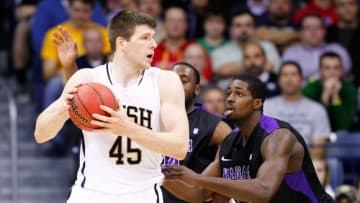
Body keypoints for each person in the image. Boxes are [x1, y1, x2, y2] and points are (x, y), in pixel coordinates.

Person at [34, 10, 189, 203]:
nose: (154, 44)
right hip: (90, 194)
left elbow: (180, 147)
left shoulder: (165, 81)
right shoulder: (88, 79)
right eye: (145, 38)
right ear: (122, 43)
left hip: (142, 194)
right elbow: (41, 134)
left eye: (153, 37)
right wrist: (64, 107)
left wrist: (128, 129)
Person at [162, 74, 335, 203]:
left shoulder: (278, 137)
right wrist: (158, 176)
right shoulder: (229, 143)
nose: (229, 99)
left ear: (257, 103)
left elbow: (264, 190)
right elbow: (199, 193)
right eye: (228, 93)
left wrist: (197, 178)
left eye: (239, 94)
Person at [162, 62, 232, 203]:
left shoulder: (213, 125)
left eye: (184, 81)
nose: (176, 85)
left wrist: (226, 187)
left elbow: (239, 151)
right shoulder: (151, 117)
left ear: (197, 89)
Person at [264, 61, 331, 157]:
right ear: (278, 80)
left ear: (301, 80)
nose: (289, 79)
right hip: (273, 163)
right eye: (284, 75)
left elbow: (319, 148)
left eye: (293, 74)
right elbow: (263, 142)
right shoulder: (267, 107)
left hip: (307, 164)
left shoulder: (317, 110)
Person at [302, 51, 357, 131]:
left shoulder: (350, 90)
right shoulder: (309, 90)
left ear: (342, 70)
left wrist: (335, 96)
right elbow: (313, 125)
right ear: (319, 71)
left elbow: (344, 126)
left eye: (336, 68)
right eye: (327, 68)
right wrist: (325, 96)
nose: (332, 72)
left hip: (342, 138)